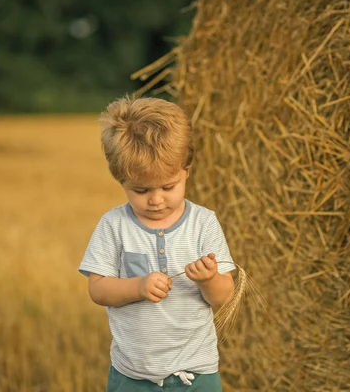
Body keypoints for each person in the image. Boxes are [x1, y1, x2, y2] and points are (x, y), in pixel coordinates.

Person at [79, 96, 235, 391]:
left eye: (168, 186)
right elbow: (97, 289)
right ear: (120, 180)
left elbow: (223, 297)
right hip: (133, 375)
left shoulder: (203, 223)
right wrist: (137, 287)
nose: (156, 199)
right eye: (140, 190)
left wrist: (209, 279)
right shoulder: (114, 225)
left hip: (197, 373)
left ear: (186, 170)